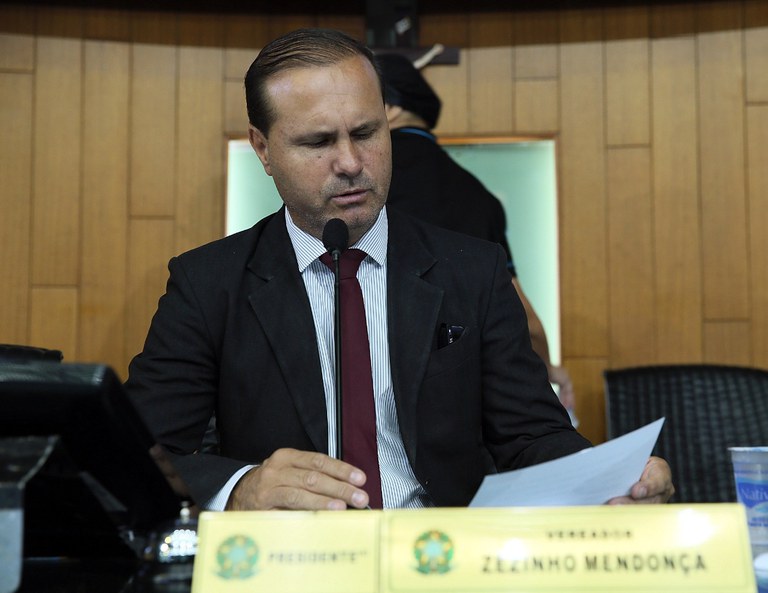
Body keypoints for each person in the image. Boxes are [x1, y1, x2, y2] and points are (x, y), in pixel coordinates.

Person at [124, 28, 674, 512]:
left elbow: (532, 436)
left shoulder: (471, 272)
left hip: (444, 558)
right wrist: (241, 489)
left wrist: (608, 480)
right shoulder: (208, 284)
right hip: (291, 563)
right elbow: (138, 455)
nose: (350, 163)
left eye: (366, 133)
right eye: (318, 141)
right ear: (263, 149)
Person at [376, 53, 575, 412]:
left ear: (388, 108)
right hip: (464, 400)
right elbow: (521, 317)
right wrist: (547, 369)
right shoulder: (477, 195)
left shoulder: (359, 191)